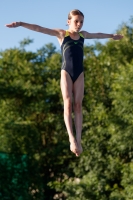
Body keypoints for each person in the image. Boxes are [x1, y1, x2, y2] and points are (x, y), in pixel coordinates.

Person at [5, 9, 123, 157]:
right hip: (66, 72)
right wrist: (21, 24)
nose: (79, 24)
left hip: (79, 73)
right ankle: (71, 138)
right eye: (76, 21)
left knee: (78, 106)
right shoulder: (62, 34)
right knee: (68, 103)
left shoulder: (83, 35)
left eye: (81, 22)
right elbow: (39, 28)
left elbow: (98, 35)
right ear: (68, 22)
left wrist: (112, 36)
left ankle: (79, 140)